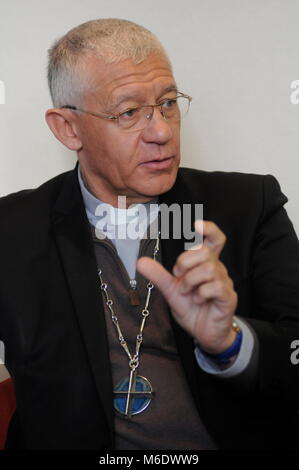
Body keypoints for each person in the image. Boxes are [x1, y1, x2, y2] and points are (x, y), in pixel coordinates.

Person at [1, 18, 299, 451]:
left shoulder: (249, 205)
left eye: (168, 103)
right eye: (128, 113)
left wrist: (230, 341)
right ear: (68, 128)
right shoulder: (11, 229)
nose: (161, 132)